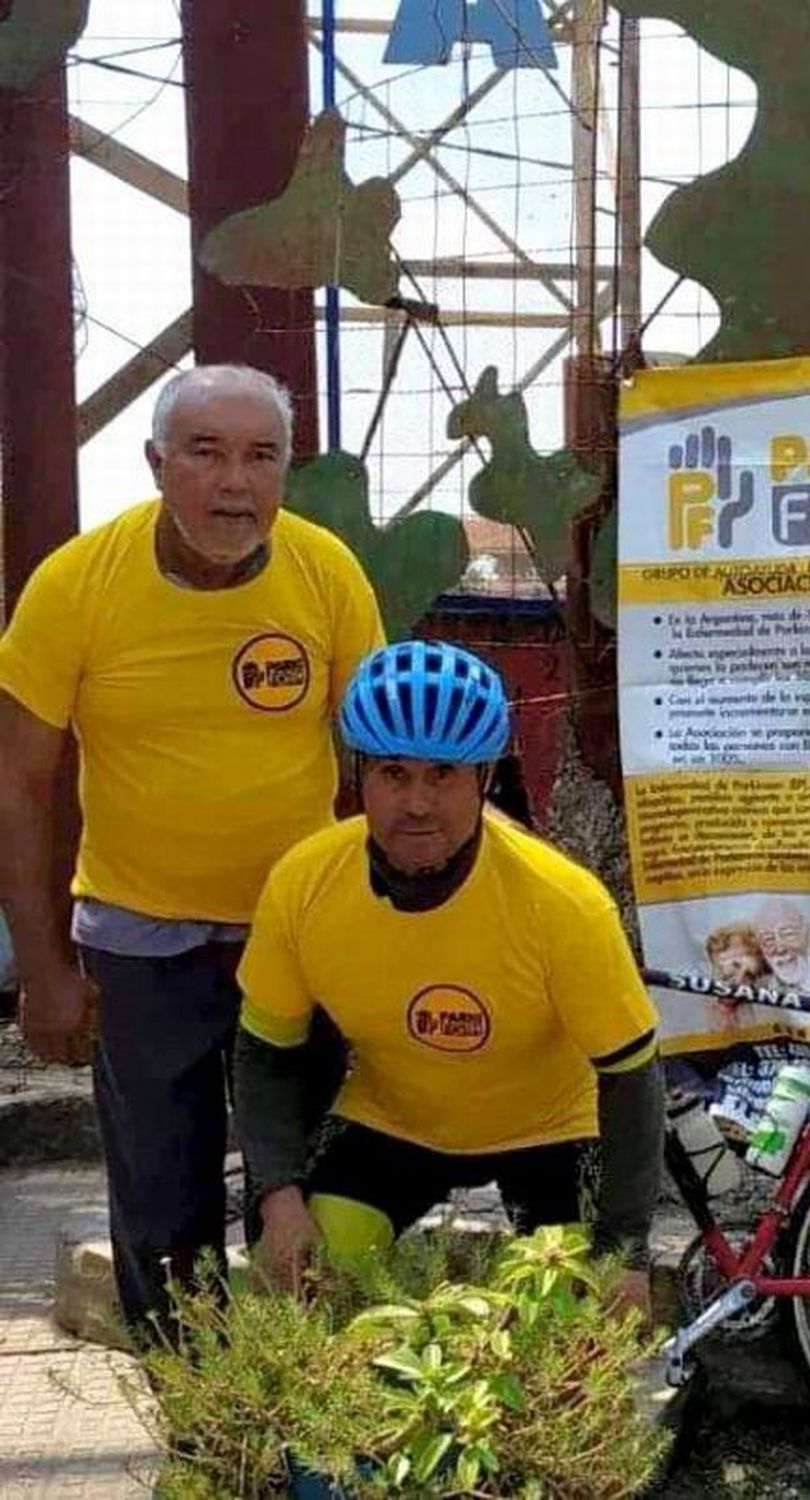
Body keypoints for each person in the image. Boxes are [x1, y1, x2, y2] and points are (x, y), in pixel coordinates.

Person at [0, 365, 384, 1340]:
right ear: (157, 463)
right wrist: (43, 970)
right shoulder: (76, 586)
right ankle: (203, 1431)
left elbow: (385, 763)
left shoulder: (328, 572)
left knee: (307, 1198)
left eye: (262, 457)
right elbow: (21, 784)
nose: (234, 483)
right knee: (165, 1212)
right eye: (206, 452)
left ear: (287, 474)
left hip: (297, 947)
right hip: (140, 945)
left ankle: (311, 1423)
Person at [234, 641, 664, 1315]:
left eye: (443, 775)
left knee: (576, 1319)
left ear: (483, 779)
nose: (417, 804)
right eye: (394, 774)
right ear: (359, 776)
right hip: (394, 1119)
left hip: (550, 1129)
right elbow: (264, 1055)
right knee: (298, 1271)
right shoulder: (303, 884)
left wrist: (627, 1250)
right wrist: (276, 1196)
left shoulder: (564, 903)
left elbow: (633, 1074)